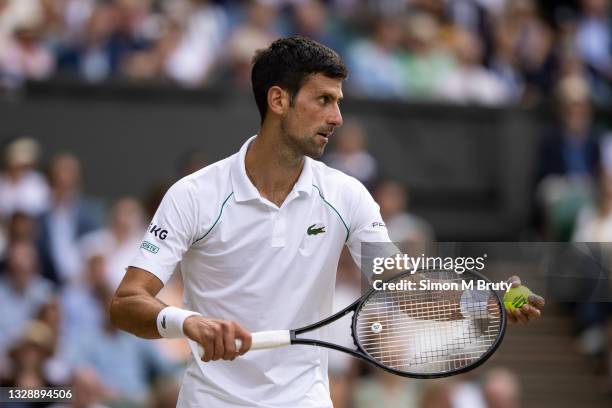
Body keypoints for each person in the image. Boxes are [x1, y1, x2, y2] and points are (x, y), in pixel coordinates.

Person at [110, 36, 544, 407]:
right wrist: (187, 322)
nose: (337, 118)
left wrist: (484, 297)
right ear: (278, 100)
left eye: (338, 102)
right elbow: (127, 302)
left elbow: (403, 287)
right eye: (323, 100)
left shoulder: (346, 195)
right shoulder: (194, 195)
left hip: (305, 399)